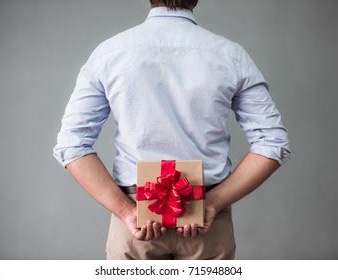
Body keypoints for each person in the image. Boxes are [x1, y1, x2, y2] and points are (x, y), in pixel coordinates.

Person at [53, 0, 292, 260]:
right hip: (206, 221)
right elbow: (273, 143)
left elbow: (71, 145)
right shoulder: (231, 55)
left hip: (135, 222)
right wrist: (211, 205)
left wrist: (126, 212)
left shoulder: (109, 53)